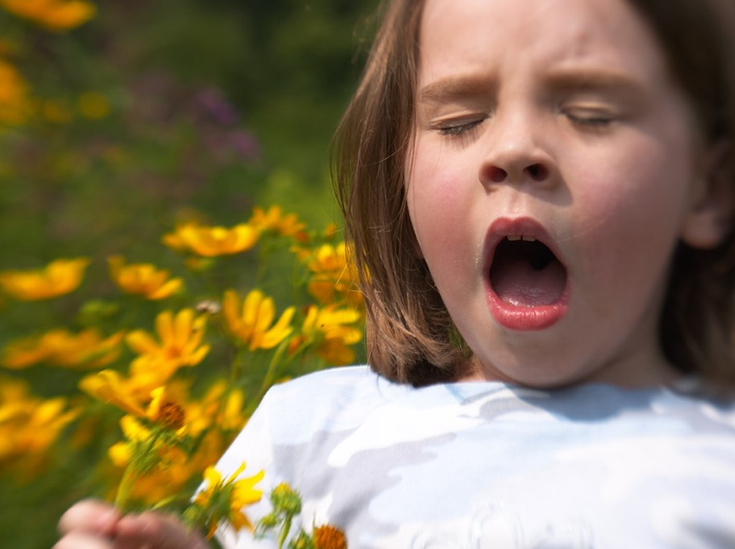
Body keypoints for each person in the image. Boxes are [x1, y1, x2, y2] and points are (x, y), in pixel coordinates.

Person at [55, 0, 735, 546]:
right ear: (398, 173)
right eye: (461, 119)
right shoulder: (308, 431)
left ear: (708, 188)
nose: (514, 149)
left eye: (591, 114)